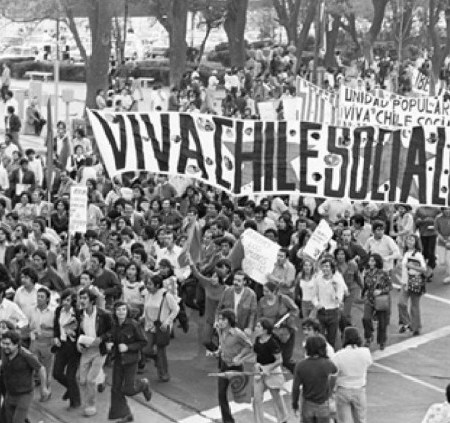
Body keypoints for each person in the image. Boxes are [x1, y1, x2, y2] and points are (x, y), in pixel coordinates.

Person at [106, 301, 152, 423]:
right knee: (115, 389)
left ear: (127, 311)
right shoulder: (115, 324)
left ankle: (143, 384)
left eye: (123, 309)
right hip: (118, 360)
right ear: (115, 312)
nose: (121, 312)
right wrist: (110, 344)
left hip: (131, 361)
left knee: (129, 390)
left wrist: (128, 347)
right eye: (118, 310)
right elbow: (112, 337)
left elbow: (143, 342)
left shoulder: (133, 324)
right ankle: (125, 415)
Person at [210, 309, 252, 423]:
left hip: (235, 367)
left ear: (229, 320)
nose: (220, 321)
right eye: (219, 319)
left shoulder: (237, 333)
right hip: (224, 365)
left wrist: (239, 356)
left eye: (223, 319)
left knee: (240, 394)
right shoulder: (220, 330)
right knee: (221, 393)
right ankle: (228, 420)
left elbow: (249, 346)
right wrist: (218, 351)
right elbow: (222, 344)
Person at [77, 288, 113, 417]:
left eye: (85, 298)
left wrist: (102, 338)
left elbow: (112, 330)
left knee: (90, 380)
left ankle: (90, 405)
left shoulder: (104, 315)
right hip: (87, 349)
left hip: (100, 350)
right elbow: (78, 330)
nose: (82, 301)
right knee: (81, 380)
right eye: (80, 298)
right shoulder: (79, 314)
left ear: (92, 300)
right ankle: (101, 378)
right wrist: (79, 343)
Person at [1, 330, 50, 423]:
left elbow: (41, 369)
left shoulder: (26, 355)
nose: (4, 346)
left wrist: (44, 387)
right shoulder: (5, 353)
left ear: (16, 344)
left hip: (24, 395)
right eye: (3, 343)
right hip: (10, 394)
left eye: (8, 344)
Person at [291, 335, 338, 423]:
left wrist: (295, 404)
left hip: (307, 404)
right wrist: (329, 392)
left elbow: (295, 388)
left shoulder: (301, 365)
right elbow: (334, 375)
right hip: (323, 404)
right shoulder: (328, 364)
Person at [142, 274, 179, 382]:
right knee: (145, 349)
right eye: (147, 283)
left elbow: (176, 309)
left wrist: (167, 322)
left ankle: (163, 374)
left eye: (150, 284)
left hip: (161, 327)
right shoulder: (147, 294)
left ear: (157, 285)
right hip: (149, 326)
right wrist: (143, 317)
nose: (147, 286)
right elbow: (146, 308)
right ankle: (155, 357)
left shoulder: (166, 295)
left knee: (161, 351)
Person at [332, 327, 373, 423]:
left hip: (343, 389)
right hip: (359, 389)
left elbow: (333, 373)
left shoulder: (338, 355)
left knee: (344, 420)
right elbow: (368, 363)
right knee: (361, 419)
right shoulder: (365, 352)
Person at [257, 281, 298, 373]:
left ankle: (300, 373)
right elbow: (259, 316)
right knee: (272, 359)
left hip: (286, 333)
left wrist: (285, 320)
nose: (264, 293)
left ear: (274, 291)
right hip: (272, 334)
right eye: (263, 291)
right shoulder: (262, 301)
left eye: (267, 291)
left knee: (286, 360)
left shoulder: (283, 299)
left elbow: (295, 310)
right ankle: (273, 378)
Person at [252, 317, 288, 423]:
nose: (255, 328)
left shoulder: (272, 343)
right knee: (257, 399)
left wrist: (268, 368)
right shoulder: (257, 340)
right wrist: (257, 366)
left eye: (258, 326)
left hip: (272, 371)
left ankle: (283, 418)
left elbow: (279, 360)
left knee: (276, 396)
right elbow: (256, 354)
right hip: (259, 370)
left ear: (265, 330)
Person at [52, 289, 82, 410]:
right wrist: (56, 337)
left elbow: (81, 330)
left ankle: (75, 402)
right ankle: (71, 389)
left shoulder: (78, 313)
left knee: (70, 375)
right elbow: (56, 325)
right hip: (62, 345)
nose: (65, 302)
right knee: (56, 373)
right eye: (64, 299)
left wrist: (75, 334)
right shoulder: (59, 310)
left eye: (68, 300)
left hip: (74, 347)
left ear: (73, 301)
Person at [312, 257, 348, 349]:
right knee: (320, 337)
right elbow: (314, 295)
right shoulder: (318, 279)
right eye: (323, 266)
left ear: (332, 268)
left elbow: (338, 300)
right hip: (321, 311)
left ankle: (330, 355)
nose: (325, 268)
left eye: (327, 266)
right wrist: (317, 304)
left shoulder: (338, 281)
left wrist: (335, 290)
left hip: (333, 312)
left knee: (332, 338)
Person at [361, 253, 392, 350]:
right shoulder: (367, 273)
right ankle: (368, 337)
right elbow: (365, 286)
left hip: (380, 300)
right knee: (366, 318)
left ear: (377, 262)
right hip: (369, 299)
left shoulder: (384, 273)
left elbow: (390, 287)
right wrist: (363, 294)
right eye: (370, 260)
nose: (370, 262)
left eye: (372, 261)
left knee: (382, 322)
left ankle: (382, 341)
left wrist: (381, 291)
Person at [398, 234, 427, 336]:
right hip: (404, 282)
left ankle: (416, 328)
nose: (409, 241)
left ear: (416, 242)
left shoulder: (418, 254)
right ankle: (407, 323)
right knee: (401, 303)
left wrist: (411, 266)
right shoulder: (406, 253)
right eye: (408, 239)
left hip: (415, 283)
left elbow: (424, 269)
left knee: (414, 306)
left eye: (412, 240)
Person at [28, 287, 55, 394]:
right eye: (38, 296)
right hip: (34, 343)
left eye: (42, 297)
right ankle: (33, 391)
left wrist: (45, 332)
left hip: (47, 344)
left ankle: (47, 391)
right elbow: (28, 325)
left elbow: (57, 331)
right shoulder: (32, 310)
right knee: (34, 367)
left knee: (47, 369)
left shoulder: (53, 312)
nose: (39, 298)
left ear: (47, 299)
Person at [216, 271, 257, 337]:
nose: (235, 282)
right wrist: (217, 321)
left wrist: (249, 328)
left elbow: (253, 314)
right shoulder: (227, 291)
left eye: (239, 281)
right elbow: (219, 308)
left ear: (244, 282)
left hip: (242, 329)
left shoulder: (251, 295)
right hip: (227, 327)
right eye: (234, 280)